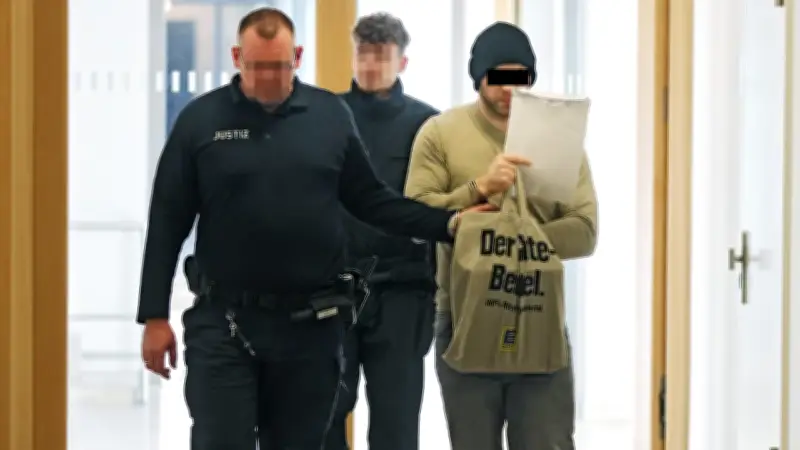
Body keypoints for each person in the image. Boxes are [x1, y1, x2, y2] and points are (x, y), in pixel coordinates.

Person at [136, 8, 487, 450]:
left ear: (298, 57)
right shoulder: (201, 121)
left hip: (308, 330)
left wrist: (448, 223)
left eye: (279, 66)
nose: (268, 78)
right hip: (224, 323)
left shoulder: (328, 116)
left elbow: (373, 201)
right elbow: (167, 219)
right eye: (257, 66)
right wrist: (154, 315)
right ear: (237, 58)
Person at [404, 22, 598, 450]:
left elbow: (585, 231)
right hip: (464, 317)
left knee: (548, 443)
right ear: (478, 77)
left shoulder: (560, 140)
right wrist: (479, 189)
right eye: (498, 78)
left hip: (539, 314)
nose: (509, 90)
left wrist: (513, 236)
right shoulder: (440, 134)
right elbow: (414, 219)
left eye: (519, 77)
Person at [328, 13, 439, 450]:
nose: (370, 64)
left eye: (381, 55)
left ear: (402, 62)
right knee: (324, 415)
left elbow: (437, 207)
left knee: (396, 422)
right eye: (363, 53)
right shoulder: (326, 117)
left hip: (402, 293)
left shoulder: (429, 126)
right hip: (333, 289)